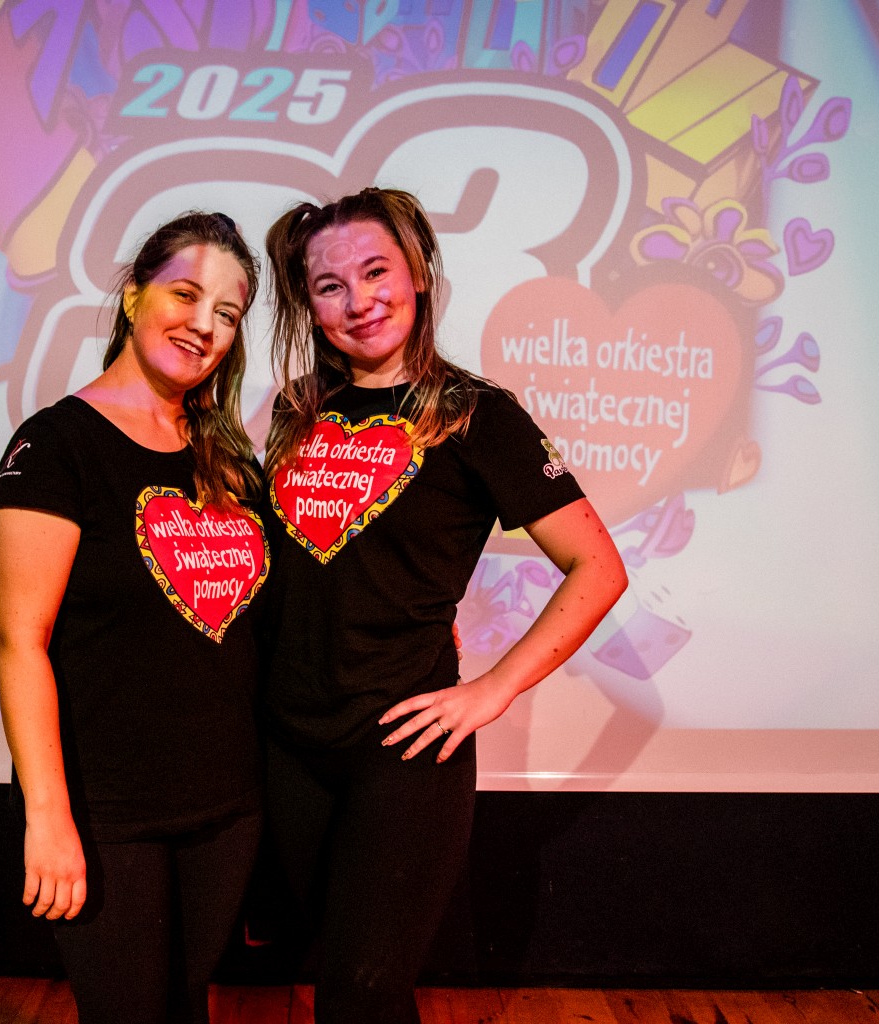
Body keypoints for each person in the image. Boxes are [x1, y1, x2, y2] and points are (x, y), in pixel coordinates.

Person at [260, 187, 630, 1023]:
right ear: (309, 306)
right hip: (287, 747)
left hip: (402, 750)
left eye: (376, 271)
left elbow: (598, 568)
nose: (359, 300)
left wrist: (492, 690)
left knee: (358, 996)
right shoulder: (295, 411)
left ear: (418, 274)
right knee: (347, 981)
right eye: (329, 286)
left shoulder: (475, 415)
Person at [0, 212, 270, 1024]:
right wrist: (49, 818)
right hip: (107, 813)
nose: (205, 325)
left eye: (227, 313)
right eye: (186, 294)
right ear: (135, 294)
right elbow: (18, 641)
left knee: (186, 1007)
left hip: (227, 809)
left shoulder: (227, 456)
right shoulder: (56, 446)